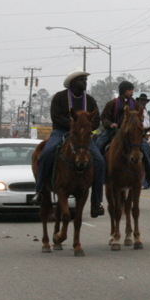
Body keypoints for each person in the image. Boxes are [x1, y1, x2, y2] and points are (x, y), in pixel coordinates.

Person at [31, 67, 106, 218]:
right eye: (81, 79)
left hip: (83, 137)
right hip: (61, 132)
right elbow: (55, 116)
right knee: (46, 153)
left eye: (85, 80)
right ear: (72, 82)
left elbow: (96, 119)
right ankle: (39, 191)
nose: (85, 82)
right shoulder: (59, 97)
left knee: (100, 161)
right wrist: (73, 126)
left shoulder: (89, 100)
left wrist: (86, 128)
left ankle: (96, 202)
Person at [97, 81, 150, 186]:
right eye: (129, 90)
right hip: (113, 130)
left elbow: (140, 119)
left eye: (132, 90)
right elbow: (104, 117)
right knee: (99, 143)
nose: (131, 92)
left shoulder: (136, 104)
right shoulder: (112, 103)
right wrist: (110, 124)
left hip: (131, 133)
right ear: (123, 91)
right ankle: (97, 170)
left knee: (146, 147)